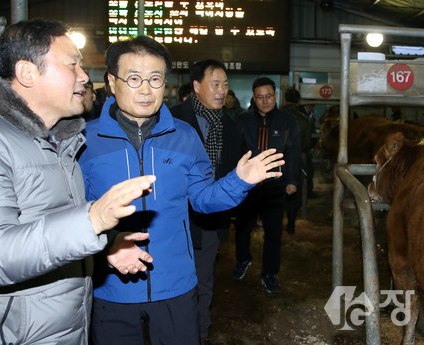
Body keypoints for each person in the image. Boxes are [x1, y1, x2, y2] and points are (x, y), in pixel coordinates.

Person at [0, 19, 156, 345]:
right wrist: (92, 221)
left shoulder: (60, 141)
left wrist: (104, 243)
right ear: (27, 73)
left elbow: (48, 227)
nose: (83, 76)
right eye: (72, 64)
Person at [78, 36, 284, 345]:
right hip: (111, 287)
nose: (146, 90)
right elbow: (71, 210)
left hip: (175, 283)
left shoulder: (184, 136)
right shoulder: (84, 141)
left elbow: (203, 200)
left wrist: (238, 180)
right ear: (111, 81)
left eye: (155, 79)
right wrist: (106, 246)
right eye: (134, 79)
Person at [170, 59, 238, 345]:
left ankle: (200, 333)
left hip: (209, 218)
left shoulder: (231, 126)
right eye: (215, 84)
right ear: (197, 86)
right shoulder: (171, 120)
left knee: (203, 279)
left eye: (224, 84)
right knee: (173, 279)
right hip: (173, 216)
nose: (222, 90)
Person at [232, 77, 301, 294]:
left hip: (275, 186)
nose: (264, 101)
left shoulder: (287, 121)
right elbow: (236, 151)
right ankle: (243, 259)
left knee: (273, 233)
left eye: (268, 96)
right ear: (254, 98)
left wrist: (291, 180)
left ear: (276, 96)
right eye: (260, 97)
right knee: (242, 228)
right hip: (248, 187)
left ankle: (270, 274)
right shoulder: (242, 120)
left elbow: (293, 152)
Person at [280, 87, 311, 234]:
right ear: (298, 102)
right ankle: (291, 226)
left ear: (284, 99)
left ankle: (274, 224)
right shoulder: (304, 119)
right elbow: (306, 143)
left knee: (276, 193)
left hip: (276, 160)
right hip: (297, 160)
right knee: (294, 195)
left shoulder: (276, 116)